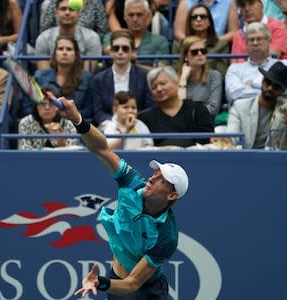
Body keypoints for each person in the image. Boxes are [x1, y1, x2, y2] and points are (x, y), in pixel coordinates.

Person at [54, 94, 189, 300]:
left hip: (147, 290)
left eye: (161, 179)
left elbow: (133, 284)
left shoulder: (166, 236)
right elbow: (101, 148)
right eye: (155, 173)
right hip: (117, 281)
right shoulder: (132, 183)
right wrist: (77, 119)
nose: (152, 178)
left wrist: (100, 283)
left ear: (172, 195)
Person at [226, 61, 287, 149]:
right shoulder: (240, 107)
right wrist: (224, 140)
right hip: (246, 157)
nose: (270, 88)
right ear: (262, 81)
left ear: (282, 91)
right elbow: (232, 137)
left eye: (276, 86)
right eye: (268, 82)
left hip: (274, 160)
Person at [92, 29, 154, 128]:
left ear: (132, 52)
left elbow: (150, 108)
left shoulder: (145, 76)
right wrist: (114, 124)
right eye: (116, 48)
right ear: (111, 52)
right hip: (109, 128)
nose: (120, 52)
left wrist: (131, 121)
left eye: (125, 48)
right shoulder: (99, 79)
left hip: (137, 126)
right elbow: (98, 112)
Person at [139, 66, 214, 147]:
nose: (159, 89)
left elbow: (207, 142)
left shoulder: (197, 110)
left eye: (163, 83)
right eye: (154, 87)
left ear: (176, 82)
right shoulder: (145, 118)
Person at [225, 22, 287, 106]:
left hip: (277, 113)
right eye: (251, 40)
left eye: (259, 39)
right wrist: (272, 91)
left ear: (269, 41)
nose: (255, 43)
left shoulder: (285, 65)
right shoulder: (235, 69)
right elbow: (234, 94)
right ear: (246, 43)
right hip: (245, 114)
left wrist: (254, 83)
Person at [28, 35, 94, 123]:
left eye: (69, 49)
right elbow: (29, 106)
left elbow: (89, 109)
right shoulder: (40, 76)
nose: (64, 52)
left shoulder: (87, 78)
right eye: (60, 49)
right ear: (55, 54)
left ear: (76, 54)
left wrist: (69, 115)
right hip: (45, 123)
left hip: (75, 125)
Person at [35, 0, 102, 72]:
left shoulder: (92, 38)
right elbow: (44, 76)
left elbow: (88, 75)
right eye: (63, 9)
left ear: (79, 13)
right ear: (56, 13)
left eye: (71, 9)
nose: (67, 13)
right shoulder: (43, 38)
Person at [102, 0, 169, 69]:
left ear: (148, 16)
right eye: (131, 15)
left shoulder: (160, 41)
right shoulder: (111, 37)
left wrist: (131, 64)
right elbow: (108, 50)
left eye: (139, 15)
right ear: (125, 17)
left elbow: (161, 71)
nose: (135, 19)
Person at [171, 3, 229, 76]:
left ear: (209, 22)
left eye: (202, 17)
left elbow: (221, 74)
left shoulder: (221, 45)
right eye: (194, 17)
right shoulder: (179, 44)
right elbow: (176, 71)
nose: (198, 19)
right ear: (190, 22)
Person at [176, 36, 223, 117]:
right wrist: (183, 79)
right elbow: (177, 107)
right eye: (195, 52)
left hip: (204, 124)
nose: (200, 54)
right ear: (186, 56)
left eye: (203, 51)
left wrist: (188, 113)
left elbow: (213, 108)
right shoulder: (176, 78)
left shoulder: (214, 76)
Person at [40, 0, 108, 42]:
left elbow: (102, 31)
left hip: (87, 47)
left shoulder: (95, 2)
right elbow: (45, 27)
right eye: (63, 9)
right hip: (57, 46)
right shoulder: (55, 1)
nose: (67, 12)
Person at [173, 0, 239, 42]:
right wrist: (194, 44)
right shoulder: (186, 2)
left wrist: (212, 42)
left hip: (217, 47)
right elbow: (179, 33)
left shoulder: (229, 2)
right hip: (191, 49)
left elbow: (234, 32)